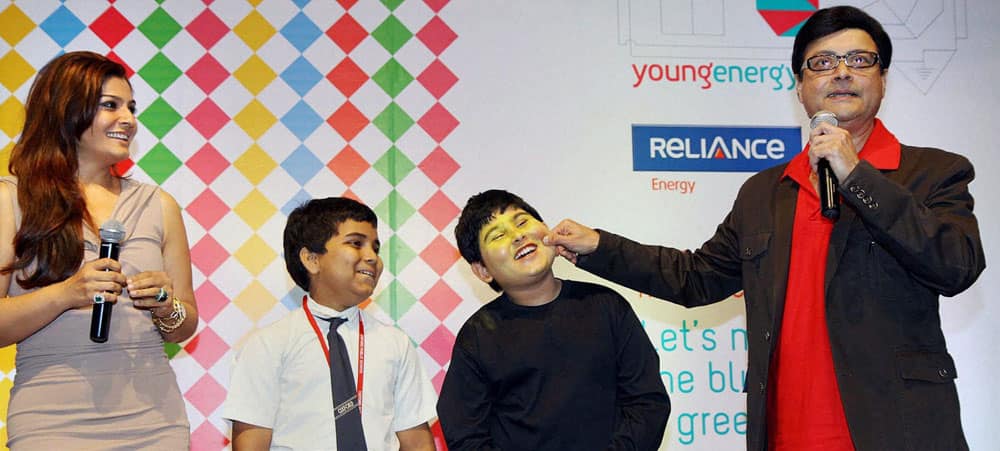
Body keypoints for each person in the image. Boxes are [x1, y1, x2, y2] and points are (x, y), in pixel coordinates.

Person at [545, 6, 985, 451]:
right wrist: (600, 247)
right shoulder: (765, 192)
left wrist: (856, 175)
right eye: (822, 63)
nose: (841, 73)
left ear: (883, 78)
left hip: (898, 433)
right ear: (799, 87)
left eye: (858, 60)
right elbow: (695, 278)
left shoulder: (933, 172)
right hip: (786, 434)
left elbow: (956, 265)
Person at [0, 51, 199, 448]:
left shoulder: (159, 205)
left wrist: (164, 303)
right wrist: (66, 294)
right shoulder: (11, 199)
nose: (128, 119)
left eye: (130, 107)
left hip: (155, 421)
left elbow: (185, 324)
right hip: (50, 423)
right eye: (111, 105)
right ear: (66, 110)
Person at [437, 189, 670, 450]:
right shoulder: (478, 335)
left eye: (522, 221)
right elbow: (465, 434)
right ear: (482, 270)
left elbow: (648, 403)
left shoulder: (606, 306)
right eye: (498, 235)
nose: (518, 235)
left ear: (547, 231)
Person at [222, 197, 437, 450]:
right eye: (356, 243)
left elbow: (417, 441)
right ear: (312, 259)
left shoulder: (395, 344)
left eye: (375, 248)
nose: (372, 257)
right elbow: (251, 442)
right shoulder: (268, 345)